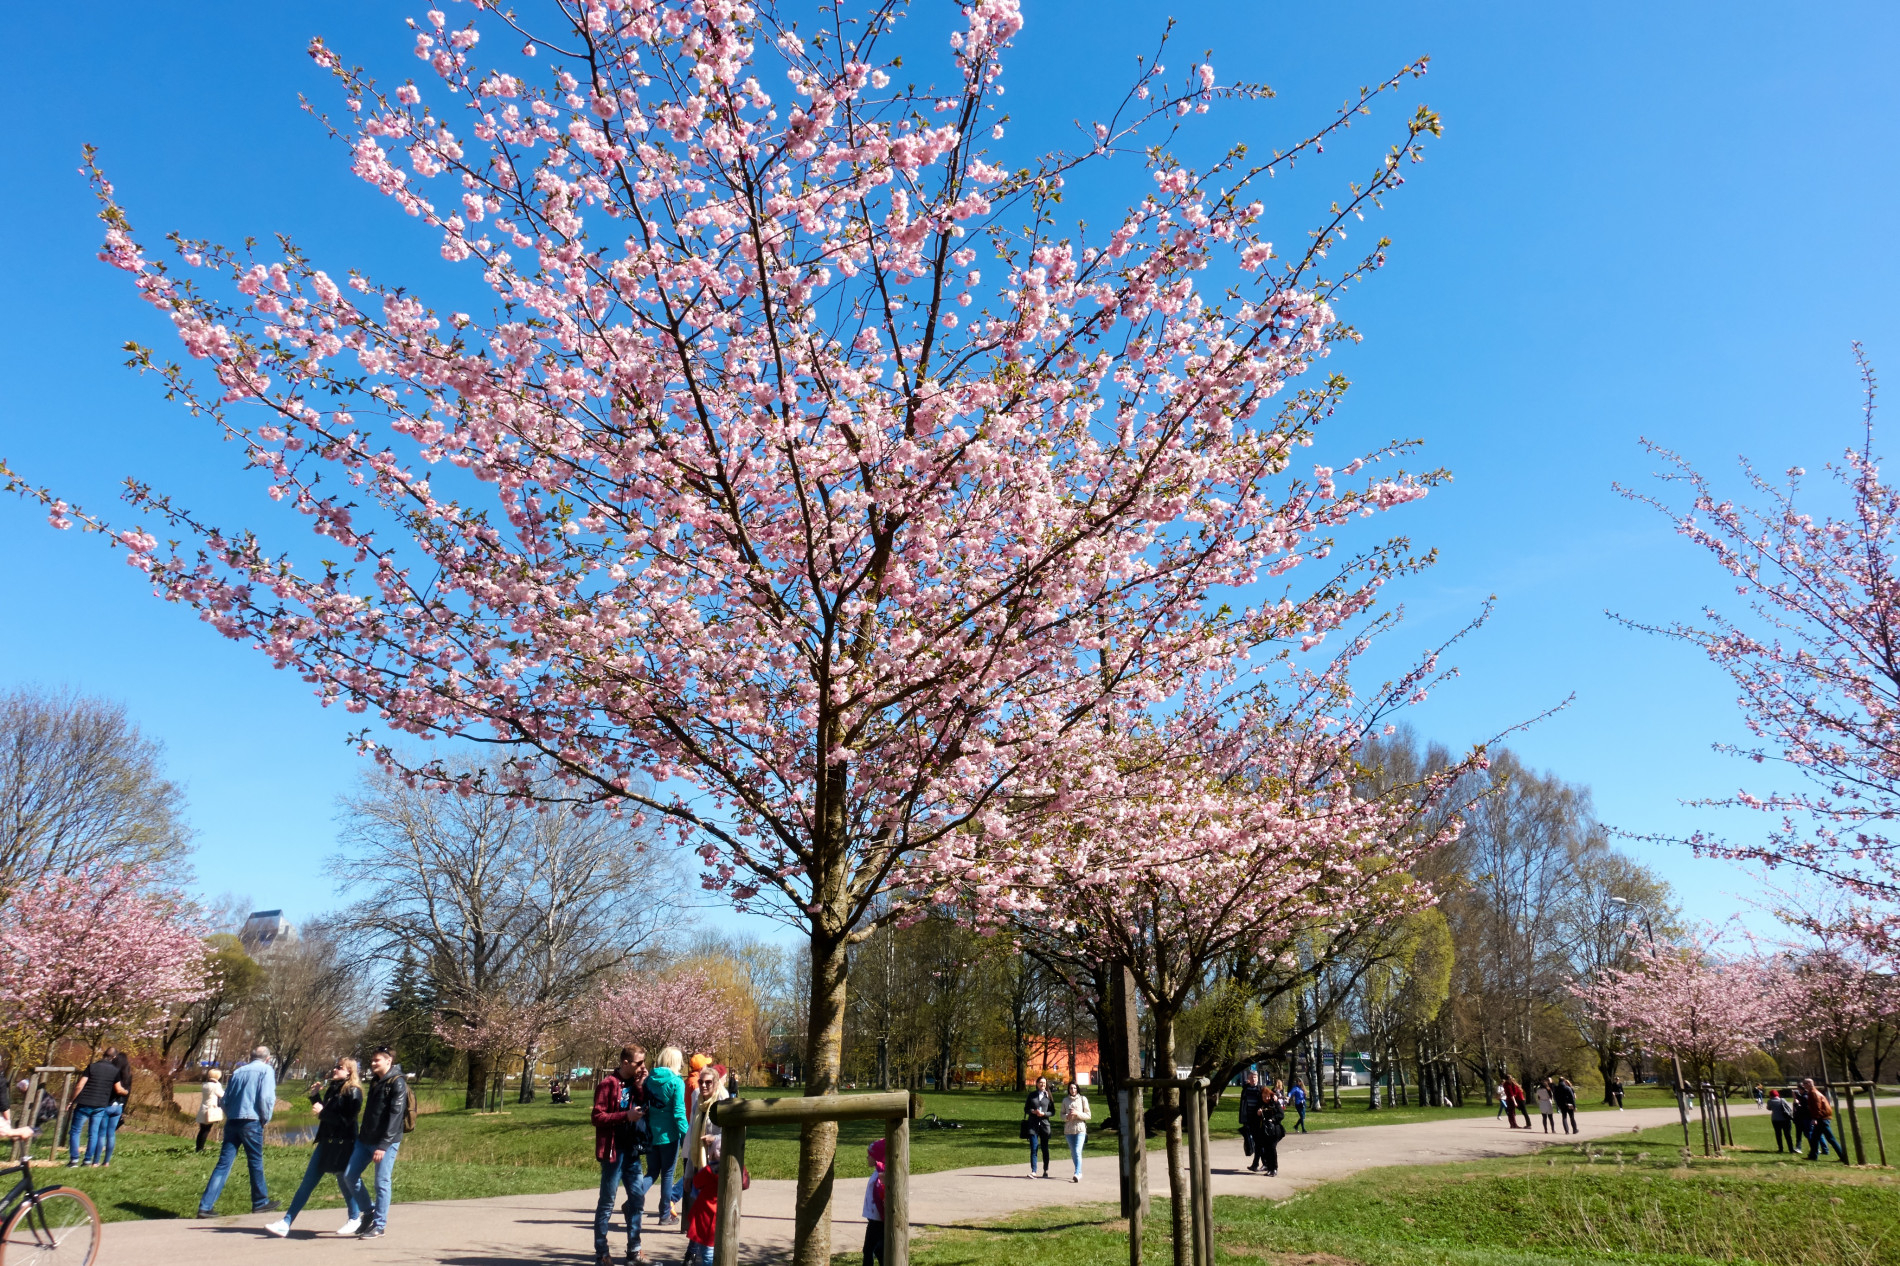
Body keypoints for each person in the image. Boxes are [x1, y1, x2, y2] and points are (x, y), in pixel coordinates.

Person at [265, 1057, 364, 1237]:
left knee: (346, 1183)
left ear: (349, 1071)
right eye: (335, 1066)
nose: (335, 1069)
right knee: (308, 1183)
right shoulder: (334, 1089)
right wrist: (314, 1097)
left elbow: (346, 1121)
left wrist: (323, 1112)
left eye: (339, 1067)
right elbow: (326, 1112)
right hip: (327, 1142)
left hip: (344, 1145)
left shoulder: (354, 1092)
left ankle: (356, 1217)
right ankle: (286, 1222)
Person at [198, 1046, 280, 1216]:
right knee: (255, 1161)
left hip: (233, 1120)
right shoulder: (266, 1071)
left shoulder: (238, 1071)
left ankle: (205, 1206)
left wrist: (230, 1114)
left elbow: (225, 1099)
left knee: (223, 1164)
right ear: (267, 1058)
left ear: (251, 1056)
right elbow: (266, 1097)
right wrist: (265, 1118)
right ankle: (260, 1201)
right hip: (252, 1120)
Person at [593, 1046, 651, 1266]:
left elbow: (644, 1107)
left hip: (632, 1151)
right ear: (625, 1063)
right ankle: (602, 1253)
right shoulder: (608, 1085)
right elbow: (597, 1116)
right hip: (613, 1152)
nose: (643, 1066)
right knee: (607, 1202)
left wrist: (640, 1086)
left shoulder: (635, 1084)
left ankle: (634, 1250)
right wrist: (625, 1116)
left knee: (637, 1198)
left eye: (644, 1062)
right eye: (638, 1063)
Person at [343, 1046, 407, 1238]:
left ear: (389, 1061)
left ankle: (379, 1225)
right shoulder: (375, 1081)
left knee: (381, 1182)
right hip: (365, 1140)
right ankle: (369, 1211)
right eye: (372, 1060)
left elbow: (396, 1117)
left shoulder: (397, 1083)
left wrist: (383, 1146)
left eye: (376, 1060)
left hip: (385, 1142)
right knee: (349, 1176)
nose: (372, 1063)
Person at [680, 1132, 745, 1266]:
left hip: (706, 1216)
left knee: (708, 1252)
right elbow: (745, 1183)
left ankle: (693, 1256)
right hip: (726, 1214)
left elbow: (697, 1183)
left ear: (713, 1153)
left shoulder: (709, 1171)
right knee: (720, 1247)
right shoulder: (736, 1170)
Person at [645, 1047, 691, 1223]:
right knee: (667, 1174)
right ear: (675, 1061)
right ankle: (664, 1214)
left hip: (651, 1133)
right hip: (668, 1135)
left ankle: (634, 1200)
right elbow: (679, 1112)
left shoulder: (649, 1079)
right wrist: (687, 1136)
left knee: (651, 1171)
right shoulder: (676, 1082)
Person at [68, 1049, 126, 1167]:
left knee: (75, 1131)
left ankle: (74, 1160)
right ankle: (87, 1160)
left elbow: (80, 1085)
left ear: (103, 1055)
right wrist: (126, 1092)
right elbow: (118, 1089)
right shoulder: (115, 1071)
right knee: (93, 1133)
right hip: (100, 1105)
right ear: (114, 1058)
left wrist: (71, 1101)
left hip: (84, 1103)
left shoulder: (92, 1067)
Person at [98, 1049, 133, 1167]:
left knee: (101, 1133)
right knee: (111, 1134)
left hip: (108, 1104)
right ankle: (107, 1161)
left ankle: (96, 1161)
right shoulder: (128, 1075)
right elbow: (128, 1093)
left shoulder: (112, 1072)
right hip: (119, 1106)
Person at [862, 1137, 888, 1266]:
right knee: (879, 1250)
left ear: (877, 1157)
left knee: (868, 1250)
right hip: (873, 1217)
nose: (867, 1158)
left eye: (869, 1155)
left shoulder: (882, 1175)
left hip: (877, 1219)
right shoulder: (878, 1173)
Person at [1022, 1076, 1054, 1178]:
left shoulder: (1048, 1096)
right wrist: (1033, 1111)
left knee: (1045, 1148)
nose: (1042, 1085)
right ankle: (1034, 1171)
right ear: (1037, 1084)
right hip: (1033, 1125)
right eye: (1040, 1083)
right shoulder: (1032, 1095)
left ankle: (1045, 1170)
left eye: (1044, 1083)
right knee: (1034, 1148)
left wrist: (1044, 1114)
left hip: (1044, 1125)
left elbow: (1052, 1112)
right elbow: (1026, 1109)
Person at [1803, 1079, 1841, 1161]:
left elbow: (1817, 1107)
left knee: (1830, 1138)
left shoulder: (1813, 1093)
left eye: (1805, 1083)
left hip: (1822, 1118)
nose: (1804, 1085)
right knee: (1814, 1138)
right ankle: (1813, 1156)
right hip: (1821, 1118)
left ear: (1810, 1084)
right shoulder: (1812, 1092)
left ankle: (1843, 1156)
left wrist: (1814, 1118)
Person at [1060, 1082, 1090, 1182]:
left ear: (1077, 1089)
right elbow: (1061, 1115)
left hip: (1080, 1129)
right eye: (1071, 1088)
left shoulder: (1083, 1099)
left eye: (1074, 1088)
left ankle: (1077, 1173)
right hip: (1069, 1130)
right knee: (1073, 1153)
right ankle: (1079, 1171)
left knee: (1077, 1151)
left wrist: (1077, 1114)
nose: (1073, 1090)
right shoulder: (1065, 1100)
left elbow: (1088, 1115)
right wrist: (1067, 1117)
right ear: (1068, 1089)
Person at [1239, 1072, 1268, 1170]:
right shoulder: (1246, 1089)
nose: (1253, 1079)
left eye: (1255, 1077)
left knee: (1259, 1142)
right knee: (1256, 1142)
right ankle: (1258, 1164)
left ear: (1258, 1078)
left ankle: (1262, 1163)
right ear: (1248, 1078)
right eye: (1251, 1077)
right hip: (1249, 1118)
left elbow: (1268, 1098)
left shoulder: (1261, 1089)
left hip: (1258, 1118)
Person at [195, 1068, 226, 1153]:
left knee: (202, 1130)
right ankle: (200, 1149)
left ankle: (198, 1147)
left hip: (203, 1108)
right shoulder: (216, 1086)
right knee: (206, 1130)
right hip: (211, 1110)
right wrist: (219, 1085)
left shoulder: (205, 1084)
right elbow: (222, 1094)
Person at [1257, 1087, 1285, 1177]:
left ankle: (1274, 1168)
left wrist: (1272, 1119)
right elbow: (1258, 1118)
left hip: (1275, 1130)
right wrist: (1259, 1114)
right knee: (1267, 1150)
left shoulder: (1275, 1103)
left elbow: (1281, 1114)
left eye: (1268, 1096)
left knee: (1272, 1148)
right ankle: (1269, 1168)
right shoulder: (1261, 1105)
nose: (1266, 1098)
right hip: (1265, 1131)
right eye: (1264, 1097)